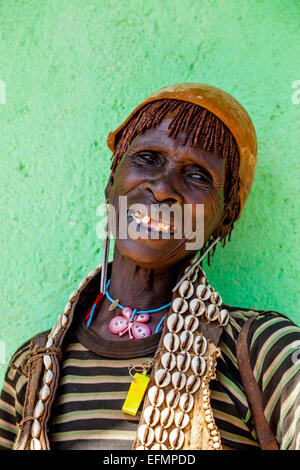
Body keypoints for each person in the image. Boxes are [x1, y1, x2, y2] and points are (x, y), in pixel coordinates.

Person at [0, 83, 299, 451]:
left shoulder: (262, 349)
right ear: (112, 183)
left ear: (224, 219)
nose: (161, 188)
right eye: (148, 158)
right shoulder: (33, 369)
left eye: (197, 175)